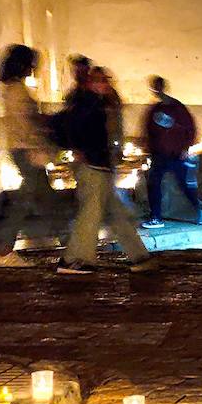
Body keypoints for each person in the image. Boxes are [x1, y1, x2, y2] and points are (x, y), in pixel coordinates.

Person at [57, 68, 155, 274]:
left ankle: (138, 255)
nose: (105, 84)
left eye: (106, 80)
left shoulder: (96, 103)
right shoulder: (87, 104)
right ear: (90, 82)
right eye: (100, 80)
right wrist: (81, 151)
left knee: (116, 213)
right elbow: (77, 130)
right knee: (91, 214)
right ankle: (74, 259)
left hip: (100, 165)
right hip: (93, 166)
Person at [0, 45, 56, 268]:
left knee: (47, 200)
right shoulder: (17, 91)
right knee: (23, 201)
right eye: (31, 65)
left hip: (23, 149)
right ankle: (5, 251)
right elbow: (25, 125)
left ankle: (73, 245)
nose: (33, 69)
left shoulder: (11, 88)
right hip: (27, 150)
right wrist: (41, 144)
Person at [141, 76, 202, 229]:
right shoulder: (155, 110)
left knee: (184, 185)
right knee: (154, 183)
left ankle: (199, 209)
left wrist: (185, 148)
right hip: (159, 154)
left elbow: (190, 128)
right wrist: (149, 147)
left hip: (176, 154)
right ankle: (156, 217)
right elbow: (149, 131)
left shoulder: (177, 108)